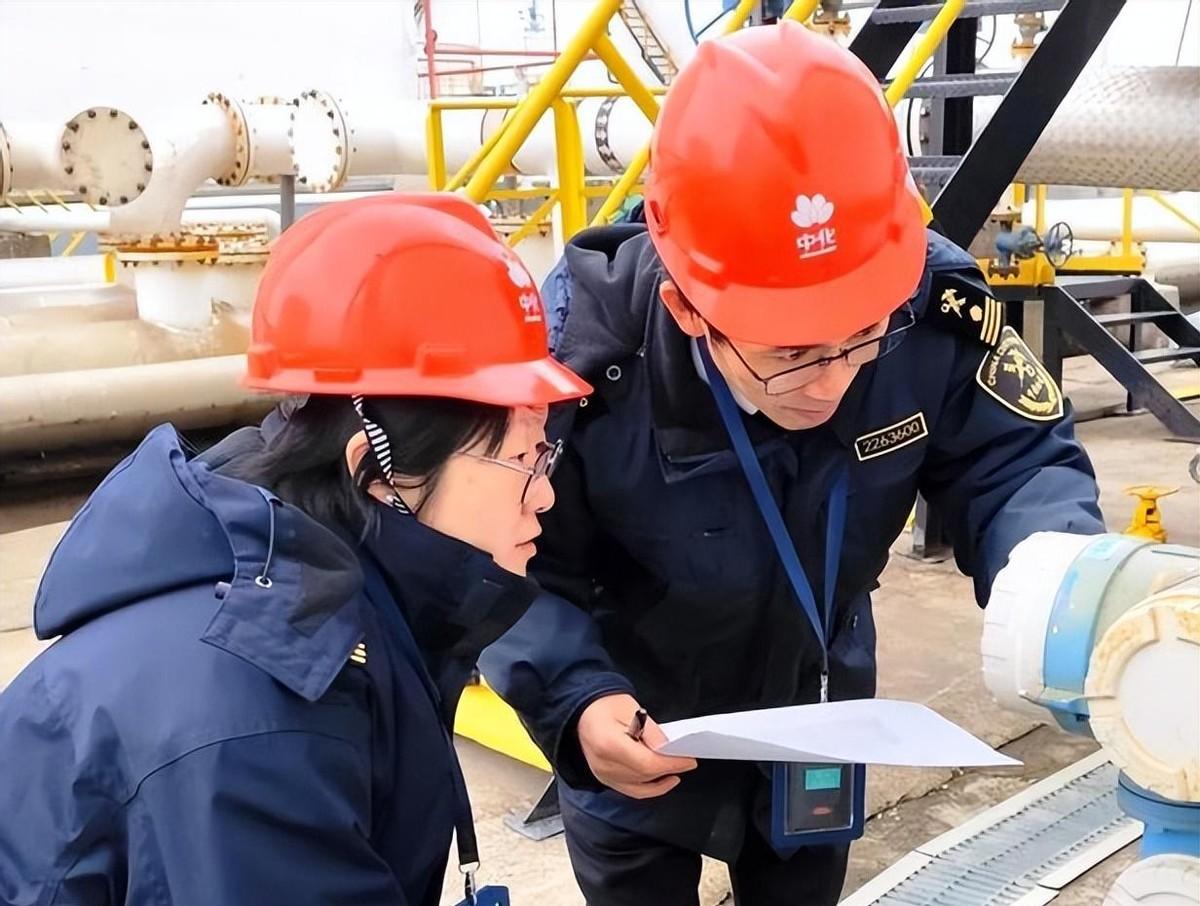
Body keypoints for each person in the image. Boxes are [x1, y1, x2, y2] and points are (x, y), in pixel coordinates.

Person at [481, 21, 1105, 906]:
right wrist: (573, 699)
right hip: (637, 715)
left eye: (862, 336)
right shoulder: (583, 359)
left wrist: (1065, 590)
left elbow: (1012, 462)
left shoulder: (927, 307)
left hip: (819, 712)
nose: (833, 382)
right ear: (688, 309)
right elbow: (504, 562)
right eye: (790, 353)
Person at [0, 193, 591, 906]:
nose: (543, 494)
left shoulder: (329, 599)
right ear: (377, 472)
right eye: (522, 459)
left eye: (545, 456)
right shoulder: (263, 715)